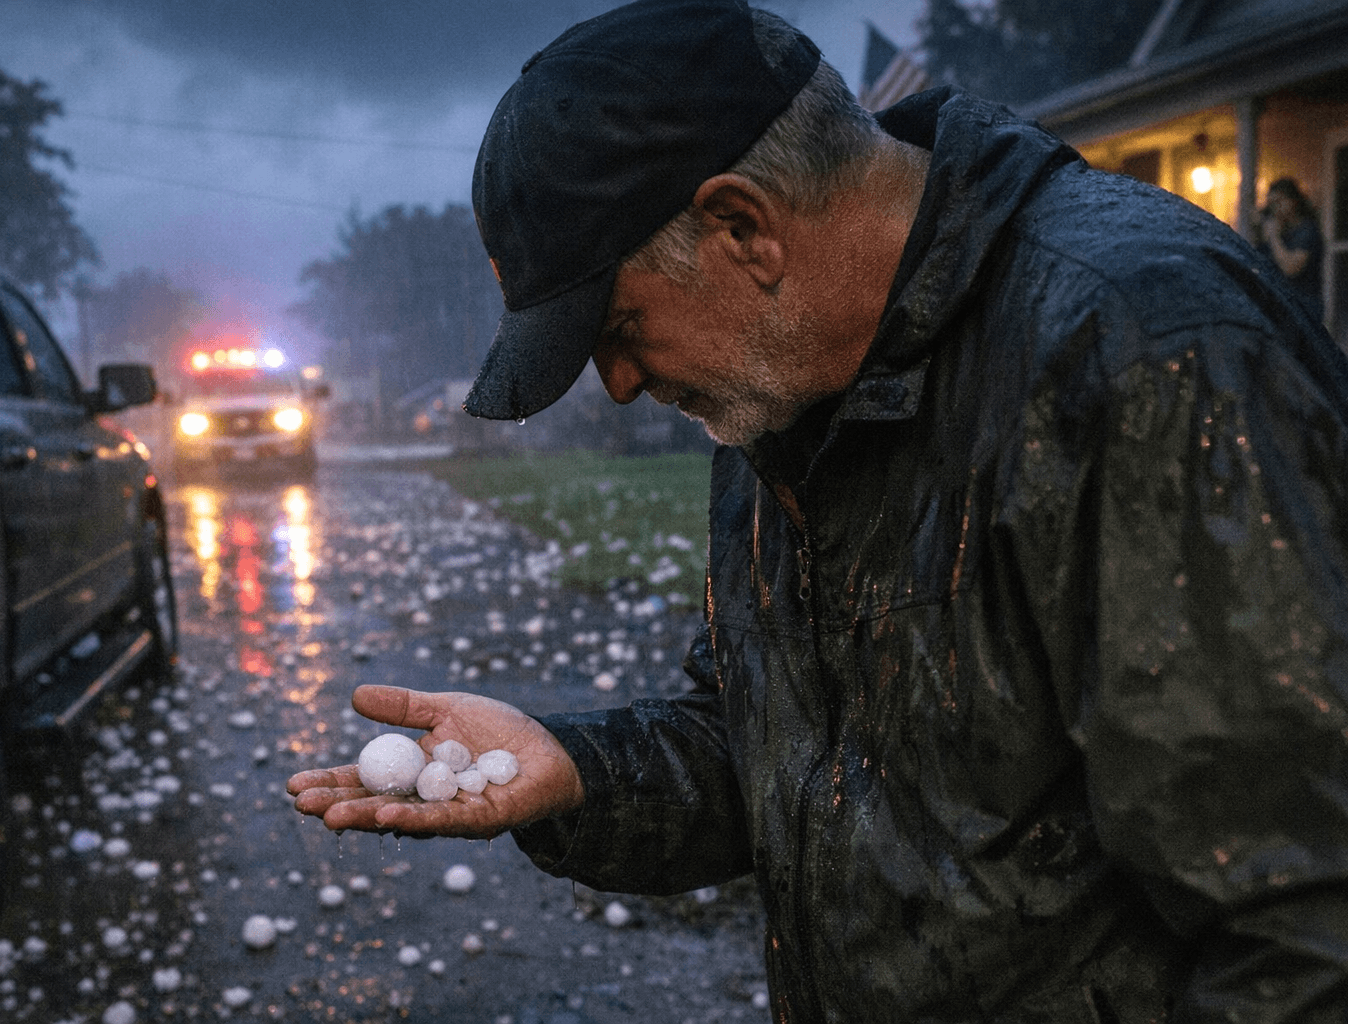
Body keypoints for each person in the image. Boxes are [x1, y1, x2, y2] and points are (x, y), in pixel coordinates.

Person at [290, 1, 1348, 1019]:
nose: (615, 384)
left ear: (742, 225)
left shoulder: (1146, 352)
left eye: (618, 327)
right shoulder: (770, 393)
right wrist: (577, 771)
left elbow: (1304, 922)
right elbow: (784, 750)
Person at [1258, 177, 1326, 323]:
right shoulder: (1280, 232)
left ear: (1293, 201)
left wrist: (1274, 237)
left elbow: (1291, 268)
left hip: (1303, 310)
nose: (1275, 209)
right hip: (1279, 309)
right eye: (1272, 204)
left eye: (1279, 202)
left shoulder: (1307, 231)